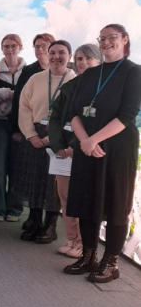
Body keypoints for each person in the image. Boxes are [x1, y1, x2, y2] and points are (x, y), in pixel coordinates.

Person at [64, 24, 141, 283]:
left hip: (118, 148)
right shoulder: (89, 74)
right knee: (87, 201)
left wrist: (93, 139)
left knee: (117, 204)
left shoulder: (134, 72)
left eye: (112, 37)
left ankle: (111, 263)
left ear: (124, 40)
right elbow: (73, 112)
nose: (107, 42)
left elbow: (127, 115)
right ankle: (88, 256)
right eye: (103, 38)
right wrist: (85, 141)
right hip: (87, 144)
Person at [16, 40, 76, 244]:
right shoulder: (35, 78)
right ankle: (33, 219)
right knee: (34, 179)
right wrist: (30, 134)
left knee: (54, 184)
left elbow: (75, 115)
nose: (56, 57)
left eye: (61, 53)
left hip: (61, 137)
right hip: (34, 134)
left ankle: (50, 225)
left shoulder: (75, 80)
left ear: (70, 55)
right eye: (52, 53)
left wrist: (53, 138)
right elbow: (23, 106)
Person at [48, 43, 103, 258]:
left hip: (85, 151)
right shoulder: (69, 88)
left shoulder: (102, 89)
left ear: (99, 61)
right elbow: (55, 119)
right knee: (65, 197)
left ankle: (84, 244)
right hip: (63, 153)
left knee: (83, 199)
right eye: (79, 59)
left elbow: (93, 123)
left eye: (88, 58)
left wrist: (73, 144)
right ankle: (72, 240)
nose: (83, 63)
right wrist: (58, 145)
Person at [0, 34, 26, 221]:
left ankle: (15, 209)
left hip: (21, 124)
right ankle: (0, 209)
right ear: (2, 48)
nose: (10, 49)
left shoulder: (28, 71)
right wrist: (8, 93)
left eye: (13, 46)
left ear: (20, 47)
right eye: (6, 46)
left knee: (17, 168)